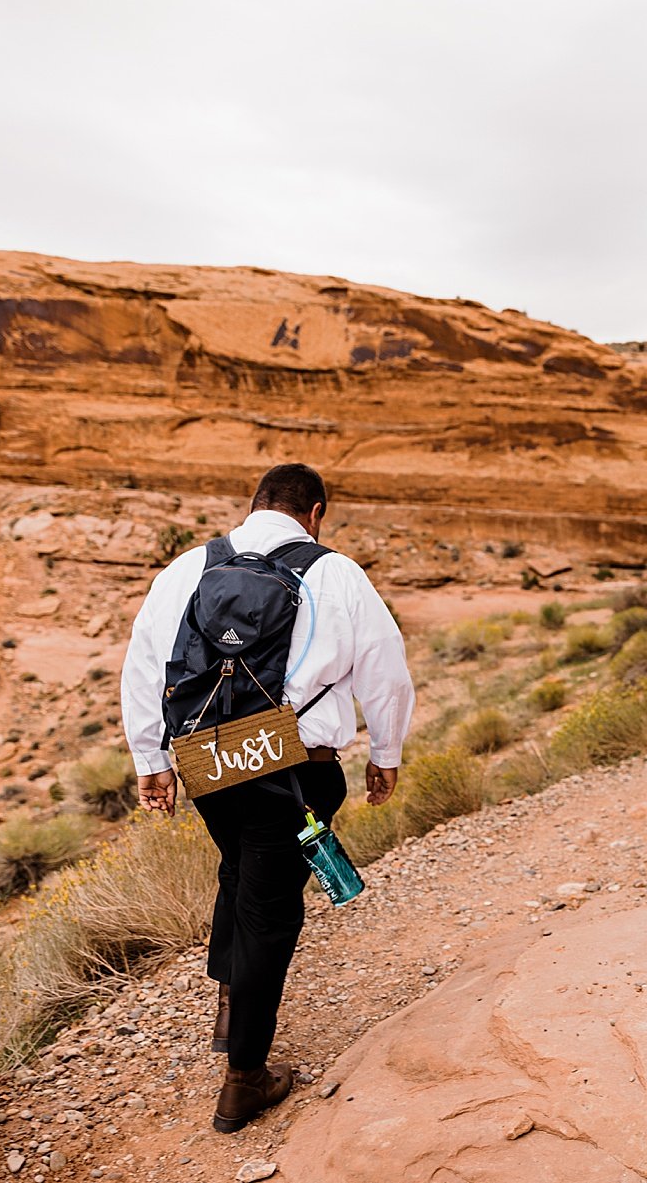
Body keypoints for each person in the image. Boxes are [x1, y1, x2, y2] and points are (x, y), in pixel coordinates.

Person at [120, 463, 414, 1132]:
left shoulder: (189, 567)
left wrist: (151, 760)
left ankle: (231, 1002)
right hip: (295, 769)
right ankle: (244, 1079)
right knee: (269, 913)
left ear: (252, 506)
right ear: (315, 513)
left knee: (240, 866)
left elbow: (144, 665)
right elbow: (386, 672)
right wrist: (386, 753)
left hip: (210, 765)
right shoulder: (336, 573)